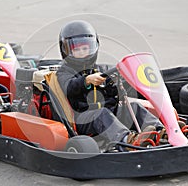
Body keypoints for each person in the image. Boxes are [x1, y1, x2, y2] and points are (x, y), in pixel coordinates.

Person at [56, 20, 164, 149]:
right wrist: (86, 80)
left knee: (135, 107)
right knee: (101, 113)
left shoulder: (101, 69)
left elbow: (117, 93)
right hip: (82, 118)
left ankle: (161, 132)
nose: (82, 52)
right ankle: (127, 140)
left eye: (85, 48)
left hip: (108, 112)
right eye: (77, 50)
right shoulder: (64, 72)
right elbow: (70, 87)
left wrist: (125, 81)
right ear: (66, 51)